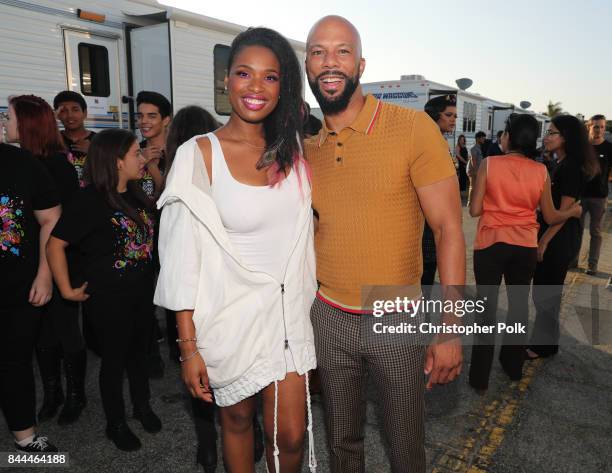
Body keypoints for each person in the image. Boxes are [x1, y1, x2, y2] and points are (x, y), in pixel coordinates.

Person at [304, 16, 464, 472]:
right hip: (329, 319)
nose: (329, 62)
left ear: (361, 63)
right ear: (308, 66)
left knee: (406, 447)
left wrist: (450, 328)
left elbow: (449, 231)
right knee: (342, 443)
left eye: (342, 51)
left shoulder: (412, 129)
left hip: (396, 317)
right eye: (318, 52)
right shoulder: (311, 149)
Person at [155, 28, 317, 473]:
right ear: (226, 79)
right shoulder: (198, 153)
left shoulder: (293, 152)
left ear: (283, 87)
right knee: (237, 419)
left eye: (271, 77)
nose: (256, 87)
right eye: (245, 73)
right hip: (227, 317)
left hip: (287, 317)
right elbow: (180, 259)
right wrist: (188, 349)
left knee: (290, 436)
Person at [163, 104, 264, 472]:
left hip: (197, 302)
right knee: (229, 380)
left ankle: (208, 448)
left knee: (206, 383)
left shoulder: (180, 168)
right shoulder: (194, 168)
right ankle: (242, 431)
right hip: (218, 299)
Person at [46, 129, 161, 451]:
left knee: (139, 355)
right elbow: (55, 244)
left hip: (141, 294)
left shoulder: (137, 195)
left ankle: (142, 406)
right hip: (109, 299)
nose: (142, 158)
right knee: (114, 361)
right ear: (116, 160)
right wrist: (66, 290)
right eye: (136, 154)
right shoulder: (90, 199)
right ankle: (116, 423)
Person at [467, 114, 582, 391]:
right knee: (518, 310)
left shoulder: (489, 164)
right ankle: (512, 366)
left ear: (509, 135)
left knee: (486, 311)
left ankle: (479, 377)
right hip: (525, 247)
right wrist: (574, 210)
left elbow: (474, 210)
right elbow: (551, 215)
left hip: (491, 244)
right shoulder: (541, 170)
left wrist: (473, 179)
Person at [7, 95, 87, 425]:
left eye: (8, 117)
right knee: (41, 335)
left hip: (61, 261)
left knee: (66, 330)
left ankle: (75, 396)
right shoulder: (15, 161)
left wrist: (50, 270)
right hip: (30, 265)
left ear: (25, 124)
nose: (5, 123)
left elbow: (65, 222)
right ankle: (52, 393)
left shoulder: (57, 166)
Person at [0, 124, 60, 453]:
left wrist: (45, 274)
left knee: (15, 362)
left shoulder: (22, 162)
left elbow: (51, 219)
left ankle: (25, 439)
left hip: (19, 289)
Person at [527, 116, 600, 359]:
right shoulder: (563, 162)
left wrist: (544, 240)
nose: (546, 137)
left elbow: (561, 214)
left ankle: (542, 346)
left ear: (566, 137)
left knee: (546, 293)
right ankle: (548, 343)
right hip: (556, 236)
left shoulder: (570, 167)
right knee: (545, 293)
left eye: (552, 133)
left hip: (558, 239)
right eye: (547, 132)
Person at [422, 95, 457, 290]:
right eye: (448, 115)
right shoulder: (430, 143)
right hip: (427, 222)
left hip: (436, 219)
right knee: (424, 279)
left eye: (455, 116)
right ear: (435, 116)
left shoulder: (440, 141)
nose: (453, 120)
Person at [572, 114, 611, 275]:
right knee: (576, 230)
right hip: (579, 196)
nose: (599, 130)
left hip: (599, 197)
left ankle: (592, 265)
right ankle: (572, 261)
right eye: (596, 126)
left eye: (602, 127)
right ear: (589, 126)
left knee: (595, 232)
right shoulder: (582, 147)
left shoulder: (609, 148)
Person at [53, 90, 96, 188]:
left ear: (84, 113)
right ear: (58, 115)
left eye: (75, 109)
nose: (70, 115)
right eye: (63, 111)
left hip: (93, 199)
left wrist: (94, 151)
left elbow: (114, 168)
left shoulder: (99, 140)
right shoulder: (53, 141)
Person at [136, 91, 172, 200]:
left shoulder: (178, 151)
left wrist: (152, 167)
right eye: (140, 116)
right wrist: (141, 160)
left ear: (165, 120)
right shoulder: (133, 151)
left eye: (152, 116)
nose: (144, 121)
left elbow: (172, 195)